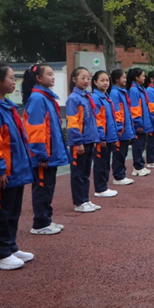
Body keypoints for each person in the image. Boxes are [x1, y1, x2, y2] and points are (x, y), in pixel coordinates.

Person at [0, 62, 36, 270]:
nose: (15, 81)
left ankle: (10, 246)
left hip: (16, 170)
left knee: (12, 211)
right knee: (1, 213)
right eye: (11, 78)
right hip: (5, 171)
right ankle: (0, 252)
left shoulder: (8, 106)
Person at [21, 64, 70, 235]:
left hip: (49, 154)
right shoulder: (38, 99)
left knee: (47, 187)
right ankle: (40, 223)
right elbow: (35, 130)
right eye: (49, 74)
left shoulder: (45, 98)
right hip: (44, 155)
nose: (53, 76)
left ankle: (46, 219)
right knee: (42, 188)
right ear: (39, 78)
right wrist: (41, 154)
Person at [67, 67, 101, 212]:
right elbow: (73, 123)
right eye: (83, 78)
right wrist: (78, 142)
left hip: (89, 140)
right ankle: (79, 202)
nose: (86, 81)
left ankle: (85, 199)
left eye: (88, 78)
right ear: (74, 79)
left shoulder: (87, 97)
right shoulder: (74, 98)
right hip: (80, 142)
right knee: (78, 173)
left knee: (86, 172)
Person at [91, 71, 119, 198]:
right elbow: (98, 120)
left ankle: (104, 186)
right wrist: (100, 137)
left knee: (106, 161)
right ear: (95, 82)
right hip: (102, 138)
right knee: (100, 163)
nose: (105, 83)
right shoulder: (96, 98)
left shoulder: (106, 97)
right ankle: (100, 188)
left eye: (107, 80)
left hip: (109, 137)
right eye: (102, 80)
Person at [109, 69, 135, 185]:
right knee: (119, 153)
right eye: (123, 77)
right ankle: (118, 176)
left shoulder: (122, 92)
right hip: (121, 129)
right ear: (116, 79)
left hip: (125, 128)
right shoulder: (115, 93)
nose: (125, 80)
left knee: (123, 153)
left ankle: (121, 174)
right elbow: (117, 111)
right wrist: (119, 127)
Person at [128, 68, 153, 176]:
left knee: (141, 145)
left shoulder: (140, 89)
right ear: (136, 77)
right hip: (139, 124)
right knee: (138, 145)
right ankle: (137, 166)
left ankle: (140, 165)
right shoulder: (134, 91)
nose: (144, 78)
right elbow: (135, 109)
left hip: (143, 122)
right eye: (142, 76)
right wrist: (138, 123)